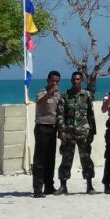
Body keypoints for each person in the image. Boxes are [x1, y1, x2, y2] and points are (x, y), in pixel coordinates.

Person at [57, 70, 97, 194]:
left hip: (84, 133)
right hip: (69, 133)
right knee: (66, 160)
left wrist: (92, 132)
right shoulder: (65, 95)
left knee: (86, 160)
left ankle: (89, 185)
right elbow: (60, 115)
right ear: (71, 81)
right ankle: (63, 186)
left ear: (81, 81)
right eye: (74, 79)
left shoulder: (87, 95)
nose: (76, 81)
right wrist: (62, 131)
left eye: (78, 79)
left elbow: (91, 114)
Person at [31, 70, 61, 198]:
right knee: (40, 159)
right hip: (42, 127)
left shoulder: (58, 95)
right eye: (53, 80)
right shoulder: (42, 92)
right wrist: (49, 93)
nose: (55, 83)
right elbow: (39, 103)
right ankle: (38, 188)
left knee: (50, 159)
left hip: (53, 128)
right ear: (48, 80)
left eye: (57, 81)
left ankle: (49, 186)